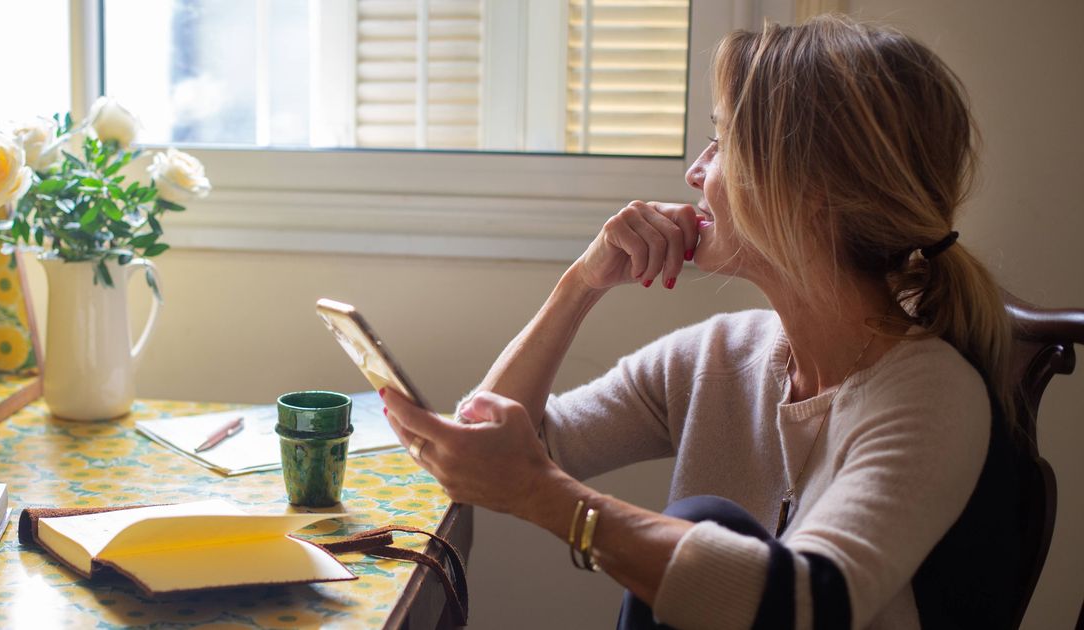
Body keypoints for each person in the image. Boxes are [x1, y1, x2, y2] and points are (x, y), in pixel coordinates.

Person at [382, 14, 1026, 629]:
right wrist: (580, 284)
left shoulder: (931, 393)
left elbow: (810, 605)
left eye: (723, 145)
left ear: (812, 193)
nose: (694, 171)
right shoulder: (721, 355)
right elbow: (489, 444)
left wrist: (544, 498)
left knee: (707, 522)